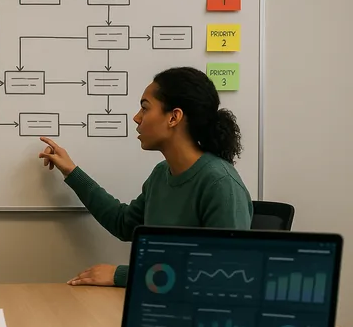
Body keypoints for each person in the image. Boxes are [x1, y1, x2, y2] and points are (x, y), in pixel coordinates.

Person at [38, 66, 253, 288]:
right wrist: (71, 172)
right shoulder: (162, 173)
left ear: (174, 117)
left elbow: (225, 274)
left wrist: (123, 275)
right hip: (159, 303)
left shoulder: (220, 184)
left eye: (144, 108)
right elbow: (124, 223)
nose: (136, 117)